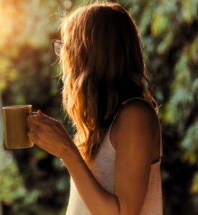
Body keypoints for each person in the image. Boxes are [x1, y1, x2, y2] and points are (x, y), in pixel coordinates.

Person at [27, 2, 163, 215]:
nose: (63, 58)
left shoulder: (135, 116)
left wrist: (66, 151)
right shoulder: (101, 123)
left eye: (67, 47)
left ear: (88, 55)